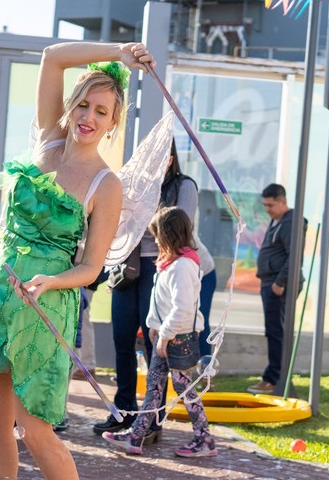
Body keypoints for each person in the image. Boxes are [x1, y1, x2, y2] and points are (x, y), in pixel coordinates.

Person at [0, 41, 153, 479]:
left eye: (101, 111)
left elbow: (92, 266)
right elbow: (52, 56)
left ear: (114, 122)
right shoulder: (46, 140)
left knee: (35, 431)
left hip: (43, 306)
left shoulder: (105, 184)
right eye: (83, 104)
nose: (88, 117)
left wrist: (49, 282)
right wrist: (119, 52)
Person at [95, 140, 213, 439]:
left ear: (170, 159)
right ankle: (122, 412)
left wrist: (139, 213)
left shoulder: (183, 185)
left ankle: (151, 421)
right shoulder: (133, 184)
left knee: (155, 345)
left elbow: (176, 226)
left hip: (160, 264)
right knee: (121, 339)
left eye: (157, 158)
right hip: (127, 265)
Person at [103, 206, 217, 457]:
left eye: (157, 235)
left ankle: (204, 439)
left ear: (169, 235)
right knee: (154, 388)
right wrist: (154, 327)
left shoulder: (182, 266)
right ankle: (136, 436)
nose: (154, 240)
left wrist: (164, 335)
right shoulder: (170, 264)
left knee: (184, 388)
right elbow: (161, 302)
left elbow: (182, 308)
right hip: (166, 336)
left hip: (180, 338)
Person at [248, 183, 305, 395]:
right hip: (271, 282)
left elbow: (294, 257)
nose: (267, 210)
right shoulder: (278, 220)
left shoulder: (291, 223)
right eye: (265, 205)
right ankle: (275, 377)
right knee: (273, 331)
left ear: (283, 201)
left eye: (271, 205)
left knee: (276, 332)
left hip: (278, 285)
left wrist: (280, 282)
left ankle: (273, 379)